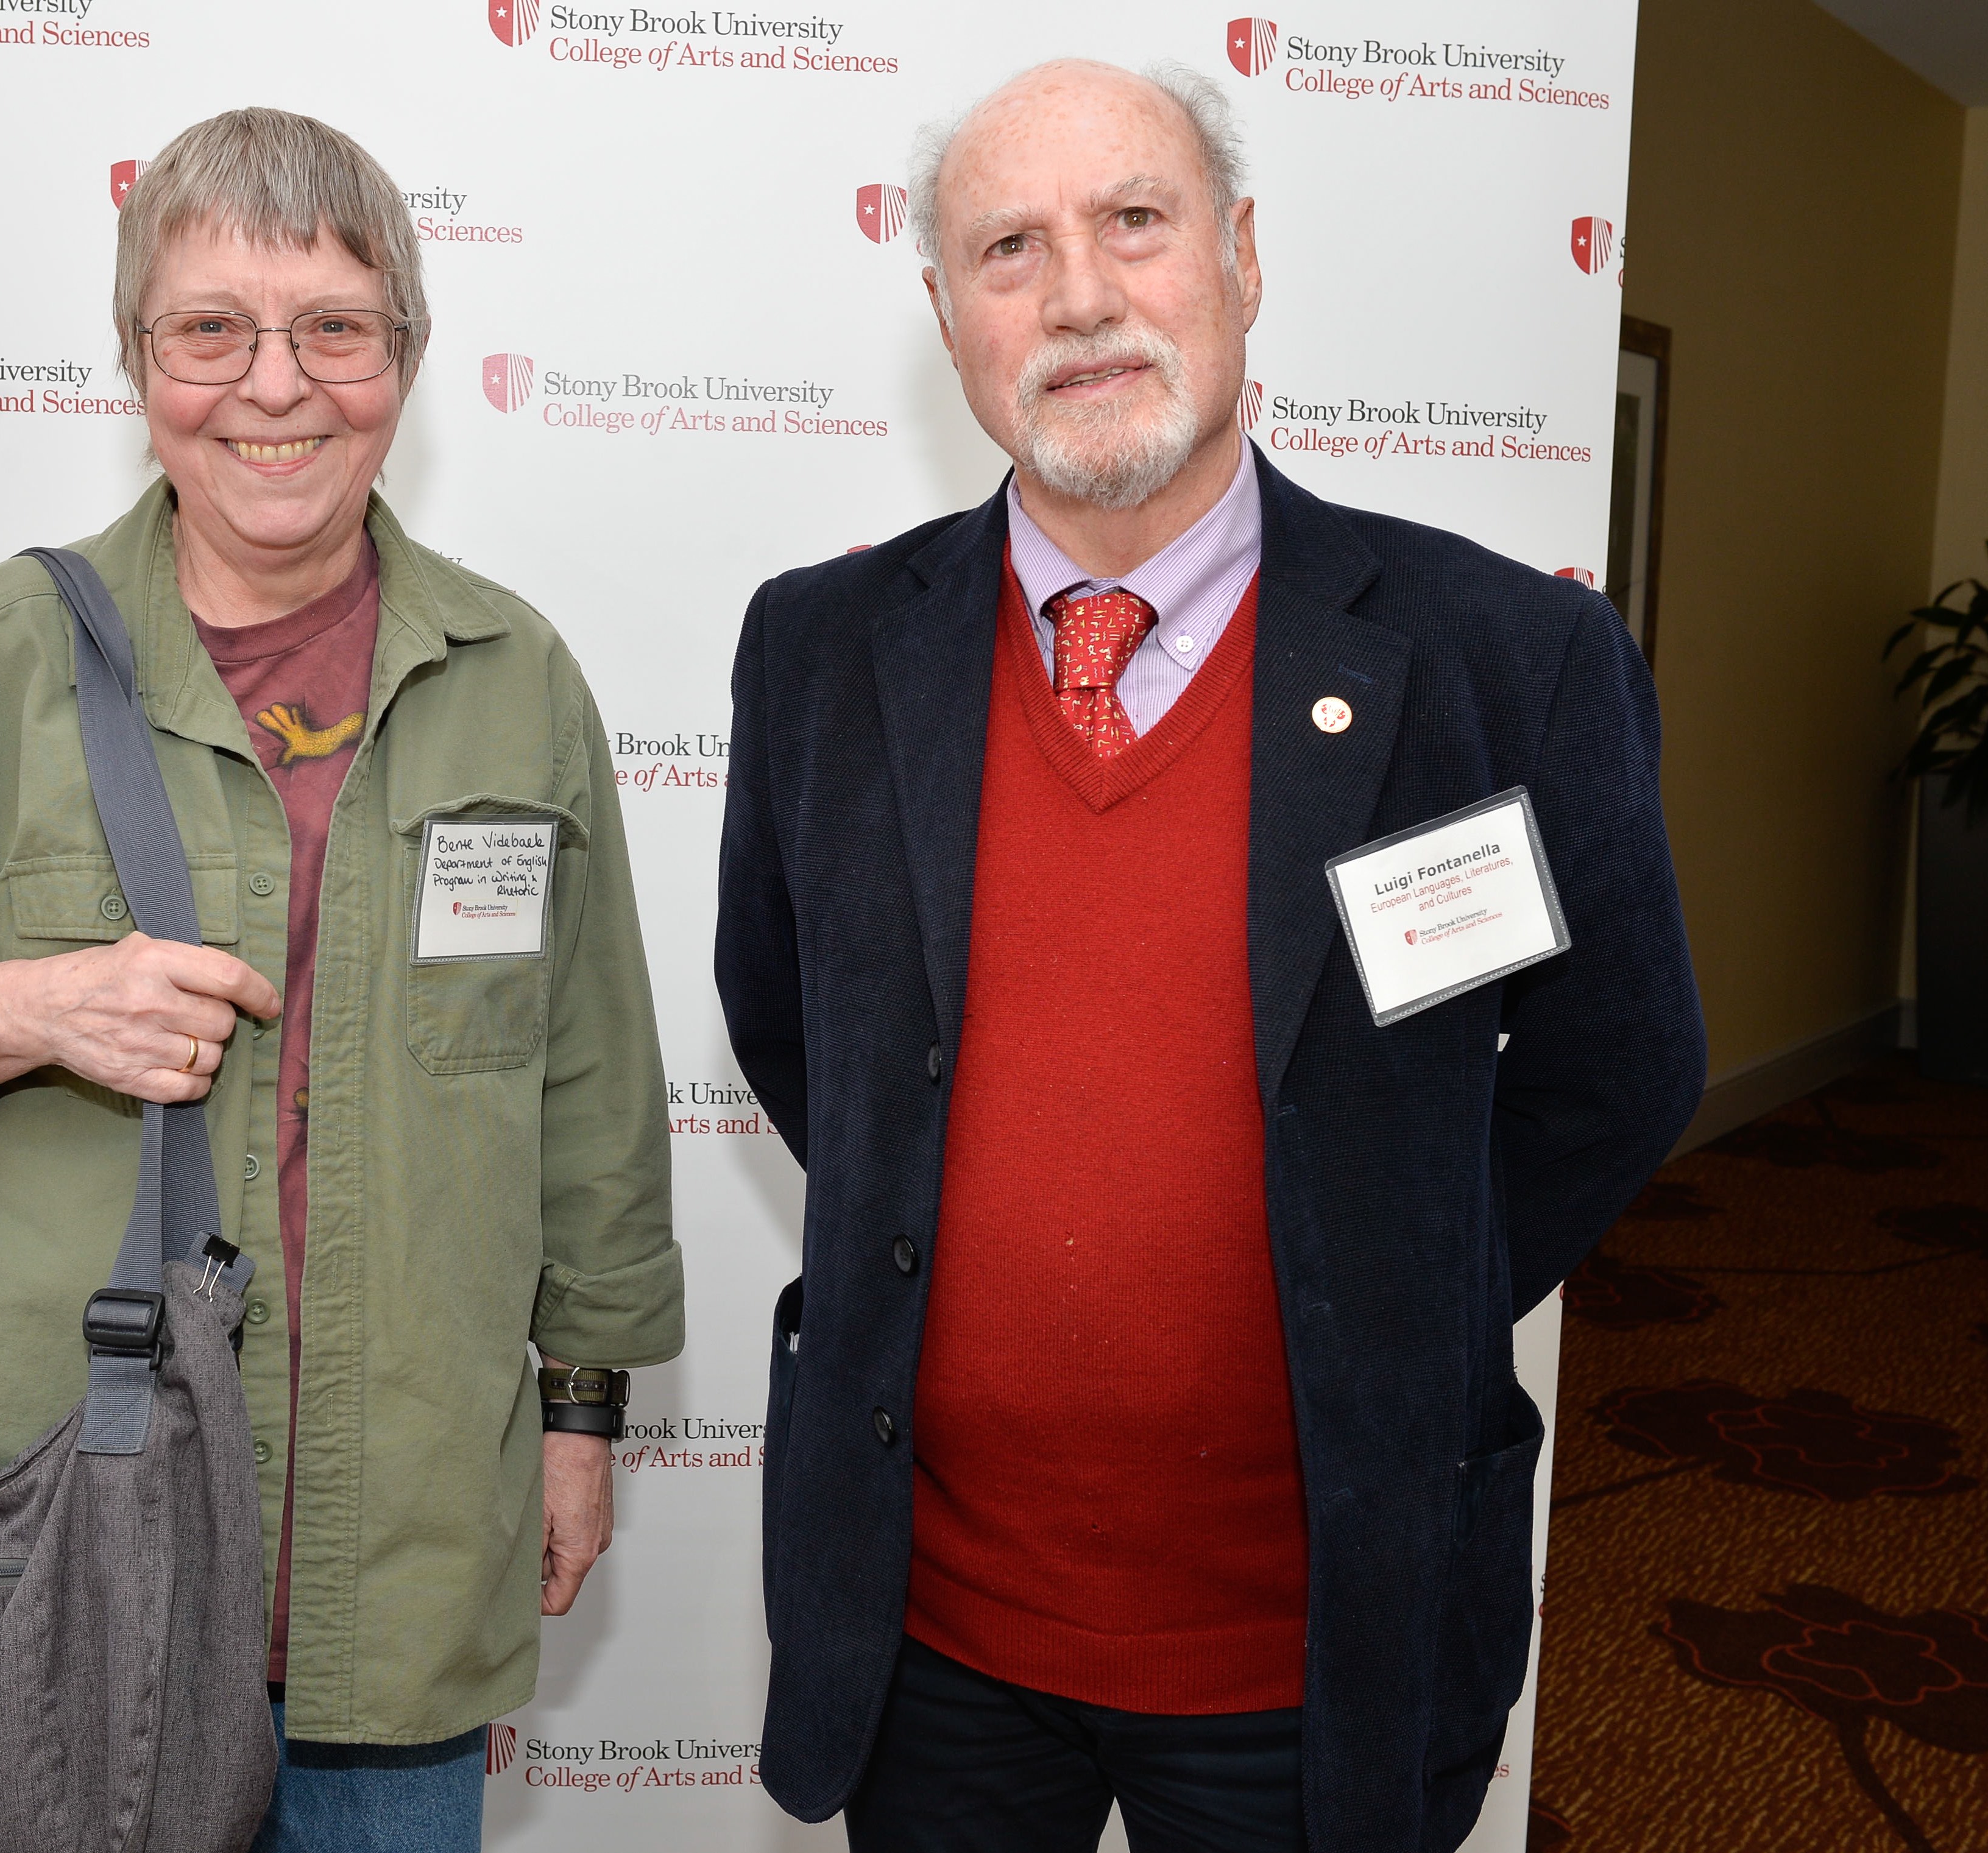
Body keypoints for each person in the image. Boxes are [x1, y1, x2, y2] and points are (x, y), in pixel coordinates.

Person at [716, 60, 1703, 1853]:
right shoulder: (818, 651)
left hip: (1315, 1631)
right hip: (935, 1631)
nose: (1078, 295)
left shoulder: (1499, 657)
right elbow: (795, 1032)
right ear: (946, 318)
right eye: (1009, 248)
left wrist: (1378, 1287)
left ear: (1240, 257)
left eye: (1133, 223)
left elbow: (1613, 1073)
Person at [0, 107, 681, 1853]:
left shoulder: (514, 680)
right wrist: (20, 1012)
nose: (275, 387)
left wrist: (580, 1415)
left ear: (407, 361)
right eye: (211, 330)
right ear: (137, 360)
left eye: (335, 331)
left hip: (391, 1555)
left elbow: (589, 1089)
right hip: (53, 1554)